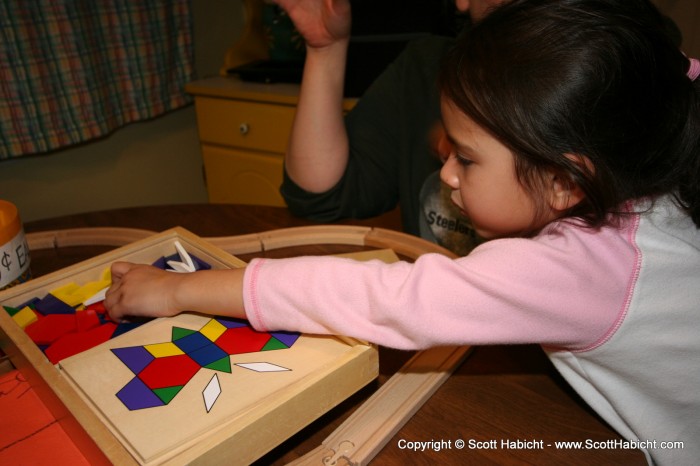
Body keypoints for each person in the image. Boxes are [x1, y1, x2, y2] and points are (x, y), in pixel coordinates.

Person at [105, 0, 700, 463]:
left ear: (568, 181)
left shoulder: (577, 270)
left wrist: (179, 291)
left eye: (465, 159)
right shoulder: (642, 165)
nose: (446, 172)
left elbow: (384, 298)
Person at [275, 0, 507, 255]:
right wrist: (325, 50)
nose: (447, 172)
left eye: (465, 158)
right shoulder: (423, 67)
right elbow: (321, 200)